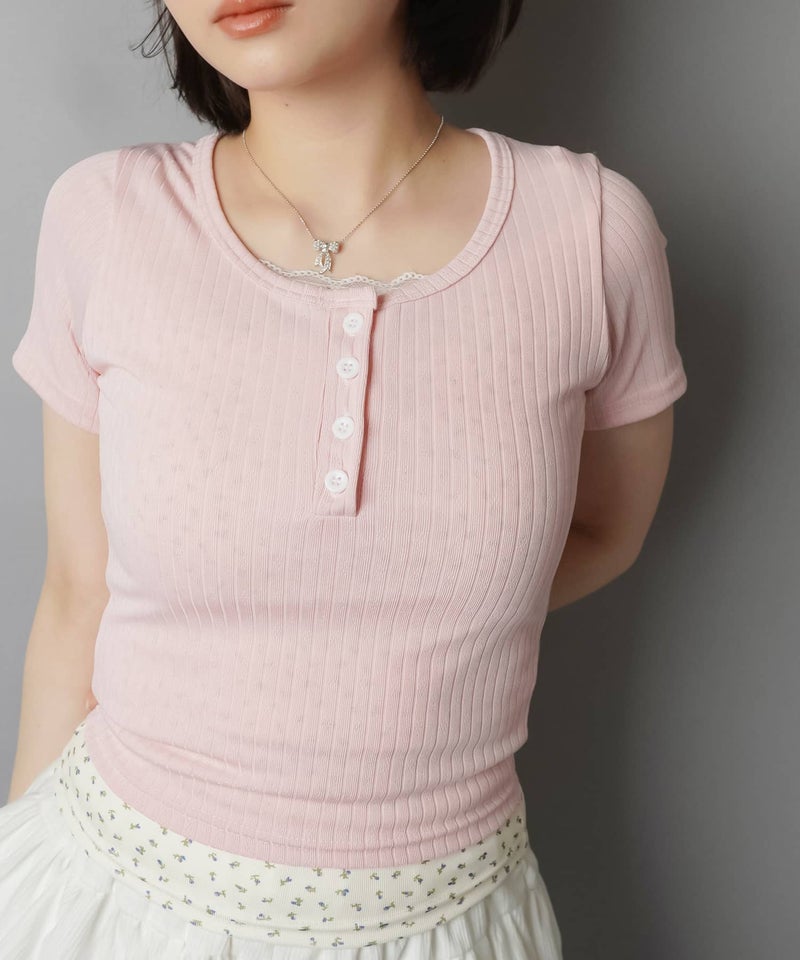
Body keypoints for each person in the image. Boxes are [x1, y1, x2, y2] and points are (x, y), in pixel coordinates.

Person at [0, 0, 688, 956]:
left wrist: (411, 622)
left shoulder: (591, 235)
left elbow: (606, 529)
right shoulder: (108, 217)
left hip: (450, 921)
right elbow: (77, 593)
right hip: (110, 902)